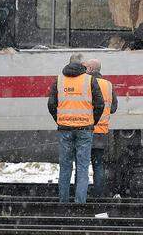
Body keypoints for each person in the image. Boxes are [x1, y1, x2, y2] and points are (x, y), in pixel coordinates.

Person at [47, 54, 104, 203]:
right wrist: (92, 122)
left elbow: (51, 105)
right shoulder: (89, 80)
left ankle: (64, 202)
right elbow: (100, 104)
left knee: (65, 166)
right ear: (83, 65)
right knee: (83, 167)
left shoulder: (58, 80)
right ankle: (80, 203)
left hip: (65, 129)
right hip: (85, 129)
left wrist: (60, 120)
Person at [85, 58, 118, 197]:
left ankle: (81, 196)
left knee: (82, 165)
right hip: (101, 132)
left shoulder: (85, 83)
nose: (85, 70)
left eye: (86, 68)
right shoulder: (108, 85)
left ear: (91, 70)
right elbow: (113, 108)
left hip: (86, 130)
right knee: (98, 166)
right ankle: (99, 196)